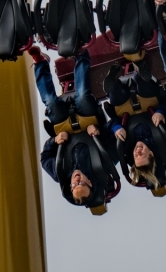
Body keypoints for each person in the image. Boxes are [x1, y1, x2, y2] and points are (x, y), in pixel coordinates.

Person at [29, 46, 118, 210]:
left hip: (65, 127)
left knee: (50, 102)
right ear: (90, 182)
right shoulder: (103, 165)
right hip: (87, 120)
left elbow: (45, 158)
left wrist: (54, 141)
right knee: (83, 95)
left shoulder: (60, 173)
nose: (77, 180)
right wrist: (99, 132)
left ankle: (40, 63)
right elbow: (114, 140)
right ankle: (81, 54)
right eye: (81, 183)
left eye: (74, 186)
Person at [103, 63, 166, 194]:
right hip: (147, 100)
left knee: (116, 95)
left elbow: (109, 127)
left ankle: (113, 79)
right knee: (142, 83)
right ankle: (139, 69)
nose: (137, 151)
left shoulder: (126, 146)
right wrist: (160, 112)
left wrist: (116, 128)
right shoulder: (162, 139)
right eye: (142, 154)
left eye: (136, 156)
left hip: (124, 107)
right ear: (151, 154)